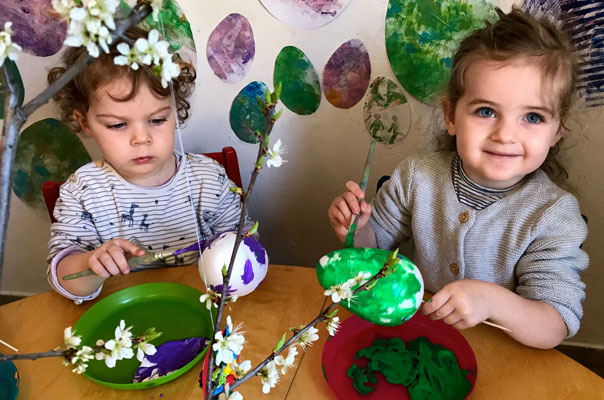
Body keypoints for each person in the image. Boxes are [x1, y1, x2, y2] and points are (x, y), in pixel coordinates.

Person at [328, 8, 589, 349]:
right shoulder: (416, 176)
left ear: (557, 132)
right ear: (451, 116)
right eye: (486, 111)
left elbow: (554, 325)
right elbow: (373, 254)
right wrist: (358, 229)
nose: (505, 134)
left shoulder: (556, 217)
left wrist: (491, 301)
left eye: (533, 117)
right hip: (422, 341)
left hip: (501, 357)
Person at [47, 26, 249, 304]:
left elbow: (249, 245)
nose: (141, 139)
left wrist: (240, 250)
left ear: (175, 111)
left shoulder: (208, 180)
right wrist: (89, 265)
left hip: (206, 310)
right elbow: (63, 278)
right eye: (117, 124)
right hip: (124, 322)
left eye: (157, 120)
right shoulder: (82, 193)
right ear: (85, 123)